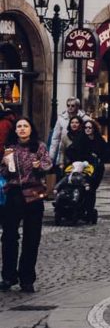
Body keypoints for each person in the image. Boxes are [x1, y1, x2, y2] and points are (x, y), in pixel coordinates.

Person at [1, 118, 53, 293]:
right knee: (9, 237)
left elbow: (48, 165)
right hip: (14, 194)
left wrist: (39, 166)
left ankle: (27, 278)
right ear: (15, 131)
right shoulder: (10, 148)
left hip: (34, 194)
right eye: (19, 127)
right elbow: (4, 173)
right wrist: (6, 166)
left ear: (31, 129)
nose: (22, 129)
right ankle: (8, 276)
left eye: (25, 126)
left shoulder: (39, 147)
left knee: (32, 238)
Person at [78, 117, 107, 224]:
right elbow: (75, 151)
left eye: (90, 127)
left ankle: (89, 211)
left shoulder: (99, 140)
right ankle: (80, 208)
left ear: (94, 129)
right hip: (83, 168)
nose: (87, 129)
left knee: (90, 189)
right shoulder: (81, 139)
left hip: (96, 169)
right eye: (86, 127)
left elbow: (106, 152)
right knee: (82, 188)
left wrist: (98, 158)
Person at [48, 96, 81, 163]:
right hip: (64, 152)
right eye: (68, 105)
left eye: (72, 105)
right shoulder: (61, 118)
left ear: (77, 106)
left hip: (79, 152)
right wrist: (51, 157)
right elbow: (55, 139)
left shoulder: (83, 117)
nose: (70, 107)